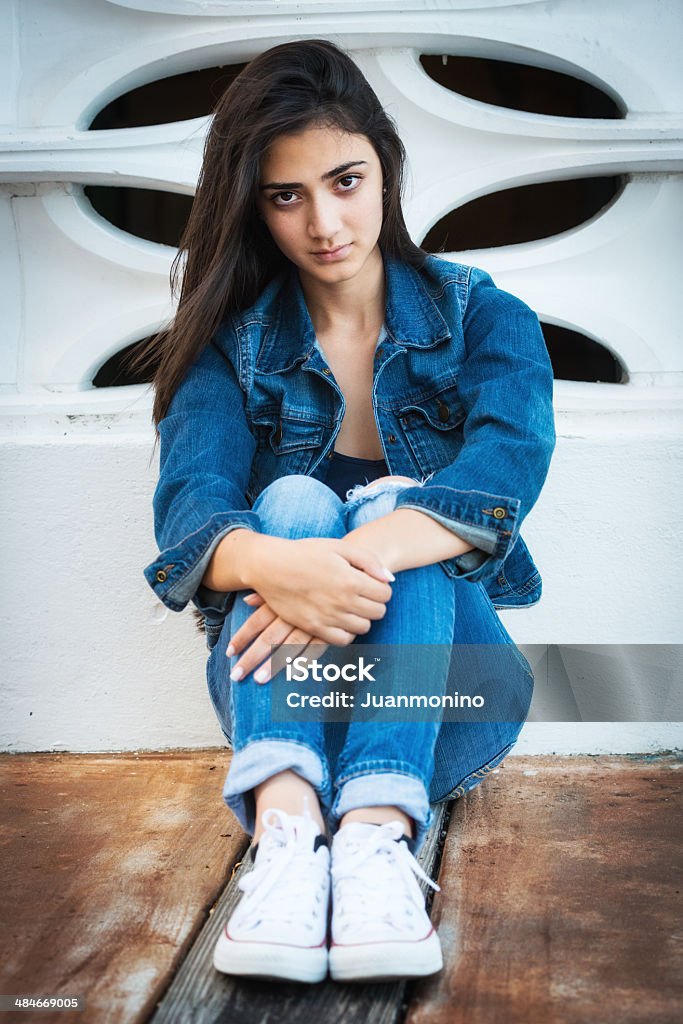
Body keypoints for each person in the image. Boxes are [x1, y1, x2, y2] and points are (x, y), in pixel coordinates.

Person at [137, 39, 556, 984]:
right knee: (287, 500)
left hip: (454, 700)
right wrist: (276, 562)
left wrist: (340, 559)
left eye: (345, 180)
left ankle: (374, 838)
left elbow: (502, 471)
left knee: (405, 502)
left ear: (385, 167)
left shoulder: (485, 318)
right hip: (280, 713)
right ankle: (288, 833)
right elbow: (190, 507)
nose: (325, 222)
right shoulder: (224, 347)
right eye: (286, 196)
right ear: (253, 206)